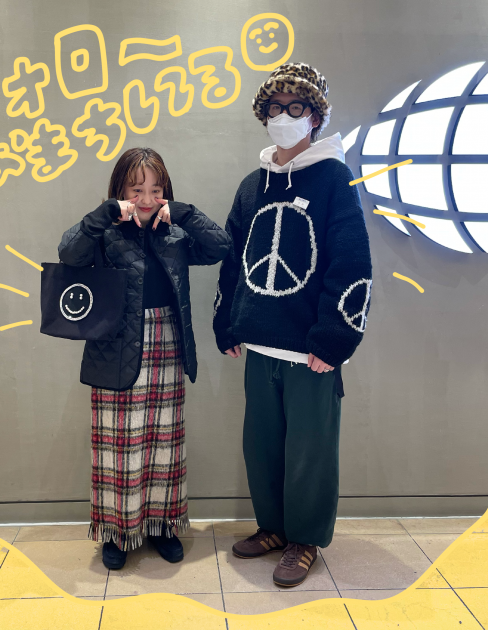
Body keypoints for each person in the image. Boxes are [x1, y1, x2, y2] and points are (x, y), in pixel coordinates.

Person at [213, 63, 373, 587]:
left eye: (296, 107)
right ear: (264, 115)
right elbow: (234, 258)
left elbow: (351, 263)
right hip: (260, 344)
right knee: (262, 446)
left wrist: (334, 338)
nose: (284, 116)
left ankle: (304, 539)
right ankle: (274, 528)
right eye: (275, 107)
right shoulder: (251, 185)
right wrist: (227, 322)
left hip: (310, 350)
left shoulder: (333, 179)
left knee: (310, 449)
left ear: (315, 116)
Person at [59, 147, 230, 570]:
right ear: (120, 190)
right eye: (137, 190)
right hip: (115, 348)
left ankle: (162, 526)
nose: (147, 198)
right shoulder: (105, 231)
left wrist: (184, 212)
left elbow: (220, 246)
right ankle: (117, 532)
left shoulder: (173, 232)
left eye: (156, 189)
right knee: (118, 447)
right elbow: (69, 253)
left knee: (164, 443)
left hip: (167, 341)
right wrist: (106, 213)